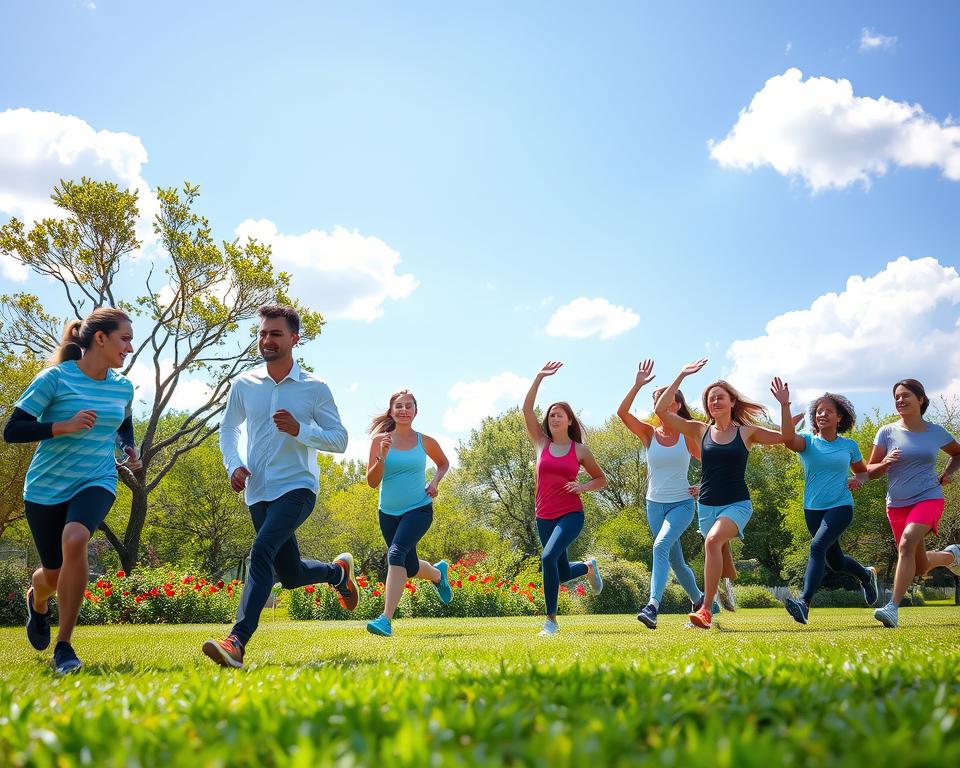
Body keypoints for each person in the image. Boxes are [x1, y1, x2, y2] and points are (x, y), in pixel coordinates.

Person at [203, 304, 354, 668]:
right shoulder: (244, 385)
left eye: (275, 334)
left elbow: (340, 440)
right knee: (290, 573)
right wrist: (234, 464)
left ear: (294, 339)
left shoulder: (314, 388)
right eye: (262, 333)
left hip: (298, 487)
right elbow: (228, 429)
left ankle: (236, 642)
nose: (266, 340)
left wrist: (299, 430)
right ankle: (338, 573)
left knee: (261, 551)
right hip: (257, 490)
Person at [3, 308, 138, 674]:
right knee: (52, 573)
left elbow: (123, 423)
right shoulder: (55, 379)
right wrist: (63, 426)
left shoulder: (122, 386)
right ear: (100, 338)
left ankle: (64, 645)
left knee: (76, 537)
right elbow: (13, 430)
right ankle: (38, 599)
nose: (129, 346)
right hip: (46, 488)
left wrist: (128, 448)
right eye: (124, 338)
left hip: (97, 479)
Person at [655, 359, 790, 630]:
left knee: (713, 541)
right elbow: (661, 410)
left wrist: (784, 405)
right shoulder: (698, 430)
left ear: (731, 402)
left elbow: (786, 436)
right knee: (716, 549)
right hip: (706, 505)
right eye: (710, 399)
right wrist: (681, 375)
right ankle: (727, 586)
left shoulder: (746, 433)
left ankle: (705, 610)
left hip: (737, 503)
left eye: (720, 397)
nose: (715, 402)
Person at [617, 359, 707, 629]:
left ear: (676, 404)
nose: (659, 403)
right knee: (677, 562)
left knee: (660, 546)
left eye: (665, 398)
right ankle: (700, 601)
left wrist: (702, 485)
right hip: (654, 506)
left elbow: (713, 464)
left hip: (681, 504)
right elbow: (621, 413)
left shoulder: (687, 435)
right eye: (656, 398)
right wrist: (637, 385)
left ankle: (652, 606)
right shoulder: (648, 433)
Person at [523, 361, 608, 636]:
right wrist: (538, 378)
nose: (554, 419)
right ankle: (587, 567)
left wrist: (582, 488)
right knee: (558, 572)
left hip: (571, 514)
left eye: (559, 415)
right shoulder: (541, 443)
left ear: (569, 420)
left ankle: (550, 621)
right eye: (551, 416)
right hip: (543, 515)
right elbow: (526, 409)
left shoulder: (580, 449)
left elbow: (601, 479)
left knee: (547, 559)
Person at [867, 379, 960, 628]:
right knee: (917, 566)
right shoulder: (886, 432)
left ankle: (892, 608)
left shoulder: (935, 432)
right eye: (896, 397)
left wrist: (948, 473)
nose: (900, 400)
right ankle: (951, 556)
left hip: (929, 497)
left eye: (905, 395)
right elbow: (870, 471)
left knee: (907, 542)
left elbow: (957, 453)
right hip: (896, 504)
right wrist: (885, 463)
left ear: (921, 399)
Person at [780, 392, 879, 624]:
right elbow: (787, 439)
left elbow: (862, 471)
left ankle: (804, 603)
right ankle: (865, 576)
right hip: (812, 509)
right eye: (818, 411)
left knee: (817, 547)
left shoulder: (849, 446)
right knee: (836, 562)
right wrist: (785, 405)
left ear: (839, 417)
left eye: (828, 411)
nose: (822, 414)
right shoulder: (807, 441)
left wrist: (859, 480)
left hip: (841, 505)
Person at [364, 390, 453, 637]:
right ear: (391, 411)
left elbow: (443, 463)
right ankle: (437, 573)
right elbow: (372, 482)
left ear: (416, 411)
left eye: (408, 406)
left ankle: (385, 620)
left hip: (419, 508)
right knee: (409, 566)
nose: (403, 410)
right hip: (387, 513)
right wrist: (381, 456)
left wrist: (435, 482)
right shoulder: (379, 441)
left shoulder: (425, 441)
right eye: (399, 406)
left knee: (395, 554)